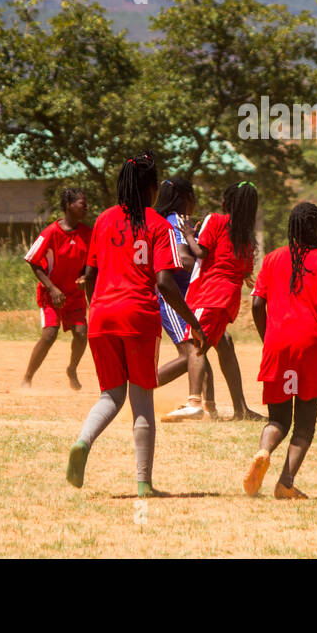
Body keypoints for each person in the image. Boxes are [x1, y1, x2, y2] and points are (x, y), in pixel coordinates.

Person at [65, 152, 205, 497]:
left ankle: (83, 441)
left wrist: (95, 309)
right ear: (153, 189)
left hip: (101, 315)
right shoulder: (157, 225)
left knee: (111, 395)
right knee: (141, 402)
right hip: (138, 317)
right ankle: (144, 483)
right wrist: (193, 323)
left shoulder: (103, 221)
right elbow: (165, 282)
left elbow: (91, 275)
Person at [244, 202, 317, 499]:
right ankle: (286, 483)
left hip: (277, 344)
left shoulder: (271, 259)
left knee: (277, 419)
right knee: (304, 426)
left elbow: (256, 305)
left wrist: (267, 338)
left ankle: (264, 450)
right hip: (311, 346)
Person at [162, 181, 263, 422]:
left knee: (196, 344)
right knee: (220, 344)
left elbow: (200, 253)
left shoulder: (215, 220)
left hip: (208, 293)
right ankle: (238, 410)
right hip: (229, 298)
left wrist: (188, 235)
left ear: (226, 202)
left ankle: (194, 402)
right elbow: (246, 271)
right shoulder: (247, 236)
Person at [152, 179, 217, 414]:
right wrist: (210, 270)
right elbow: (183, 259)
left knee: (198, 348)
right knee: (190, 352)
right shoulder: (176, 221)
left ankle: (209, 407)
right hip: (172, 296)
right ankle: (139, 387)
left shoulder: (170, 221)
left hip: (181, 296)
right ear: (185, 198)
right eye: (194, 197)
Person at [21, 189, 92, 389]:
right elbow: (33, 261)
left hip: (75, 295)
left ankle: (72, 369)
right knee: (49, 334)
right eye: (82, 203)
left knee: (81, 334)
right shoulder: (51, 232)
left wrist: (85, 277)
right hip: (51, 294)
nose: (86, 207)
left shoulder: (88, 233)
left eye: (86, 204)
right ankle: (27, 377)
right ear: (69, 205)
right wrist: (52, 288)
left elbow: (92, 262)